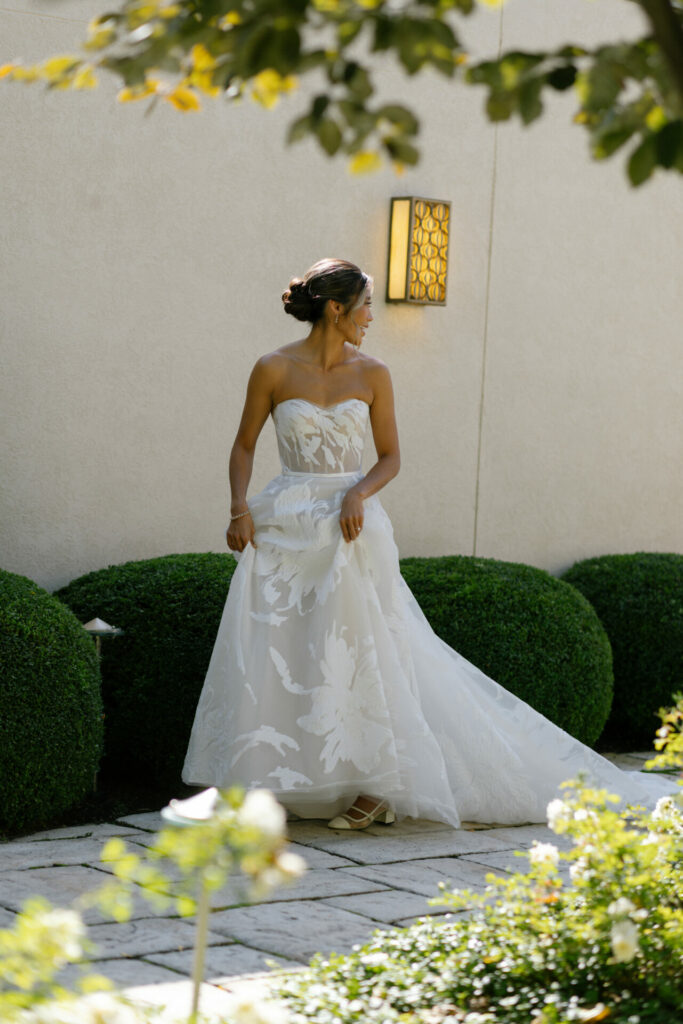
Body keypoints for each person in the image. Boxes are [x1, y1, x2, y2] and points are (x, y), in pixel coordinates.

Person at [182, 258, 671, 830]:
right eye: (365, 307)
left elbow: (390, 457)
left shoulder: (374, 374)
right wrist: (238, 508)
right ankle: (271, 780)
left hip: (349, 529)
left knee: (370, 650)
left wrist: (358, 492)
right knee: (284, 651)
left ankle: (377, 787)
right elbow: (243, 445)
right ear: (335, 309)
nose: (370, 319)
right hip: (284, 526)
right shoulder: (271, 368)